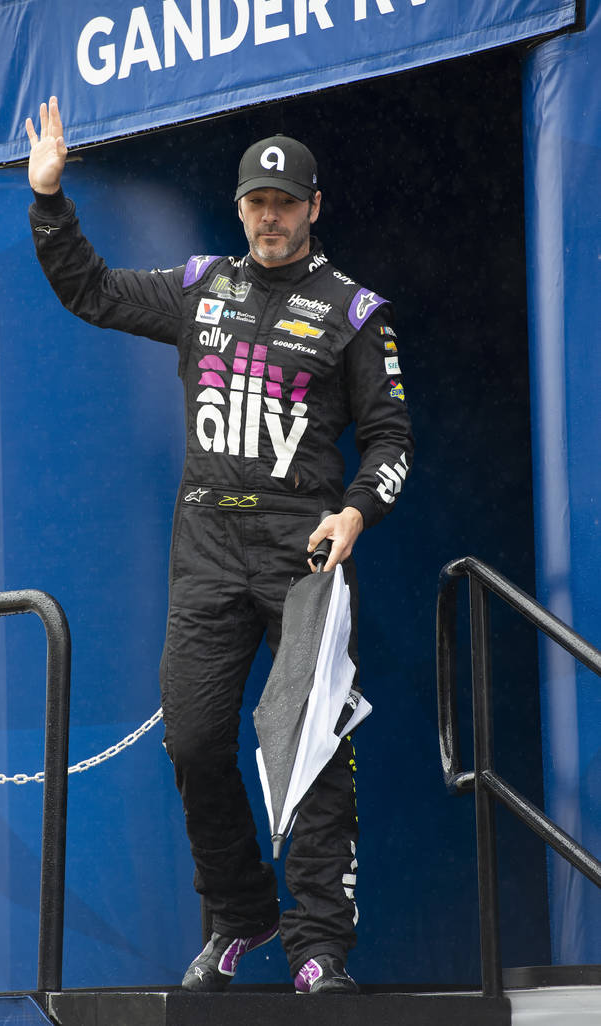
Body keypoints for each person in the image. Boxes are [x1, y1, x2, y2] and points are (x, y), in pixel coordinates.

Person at [26, 96, 414, 995]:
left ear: (313, 206)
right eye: (255, 202)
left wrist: (355, 512)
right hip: (204, 540)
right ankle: (240, 912)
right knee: (196, 742)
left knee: (310, 744)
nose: (270, 216)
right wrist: (50, 201)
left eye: (285, 201)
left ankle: (321, 945)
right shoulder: (202, 287)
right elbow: (91, 289)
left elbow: (392, 439)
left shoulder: (354, 311)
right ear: (238, 209)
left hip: (303, 547)